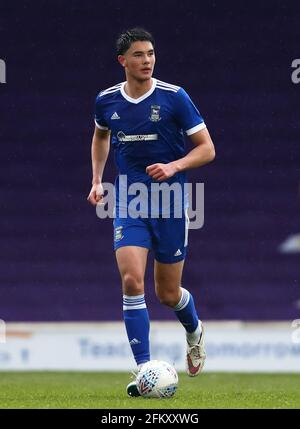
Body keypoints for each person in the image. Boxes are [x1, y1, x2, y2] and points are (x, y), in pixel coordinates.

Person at [87, 28, 215, 396]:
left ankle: (193, 330)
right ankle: (143, 368)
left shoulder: (175, 97)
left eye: (151, 54)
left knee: (168, 293)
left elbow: (207, 149)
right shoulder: (106, 101)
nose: (147, 60)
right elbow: (100, 135)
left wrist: (174, 166)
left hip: (171, 203)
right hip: (130, 199)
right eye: (139, 55)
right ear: (123, 61)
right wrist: (97, 180)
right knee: (131, 281)